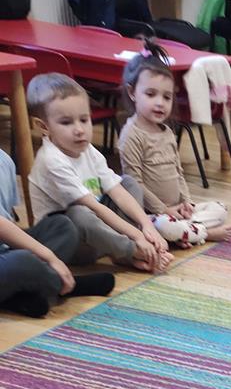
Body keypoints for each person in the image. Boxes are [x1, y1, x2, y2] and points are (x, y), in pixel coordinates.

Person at [26, 72, 171, 273]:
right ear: (43, 127)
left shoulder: (87, 149)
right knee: (79, 213)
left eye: (84, 119)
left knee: (128, 183)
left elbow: (117, 191)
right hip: (74, 245)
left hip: (102, 234)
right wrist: (136, 238)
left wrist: (147, 226)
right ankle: (132, 252)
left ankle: (122, 252)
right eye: (66, 122)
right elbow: (92, 208)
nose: (79, 129)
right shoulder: (51, 160)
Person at [118, 40, 231, 248]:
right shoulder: (131, 135)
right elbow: (136, 184)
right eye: (151, 94)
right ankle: (204, 233)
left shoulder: (167, 132)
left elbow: (178, 171)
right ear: (132, 92)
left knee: (220, 209)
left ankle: (187, 231)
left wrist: (187, 202)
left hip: (177, 209)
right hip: (152, 214)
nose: (160, 103)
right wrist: (164, 210)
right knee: (164, 226)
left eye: (167, 97)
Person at [0, 149, 114, 317]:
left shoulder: (4, 160)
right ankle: (66, 285)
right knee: (22, 261)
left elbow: (8, 220)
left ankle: (22, 295)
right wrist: (50, 257)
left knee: (62, 226)